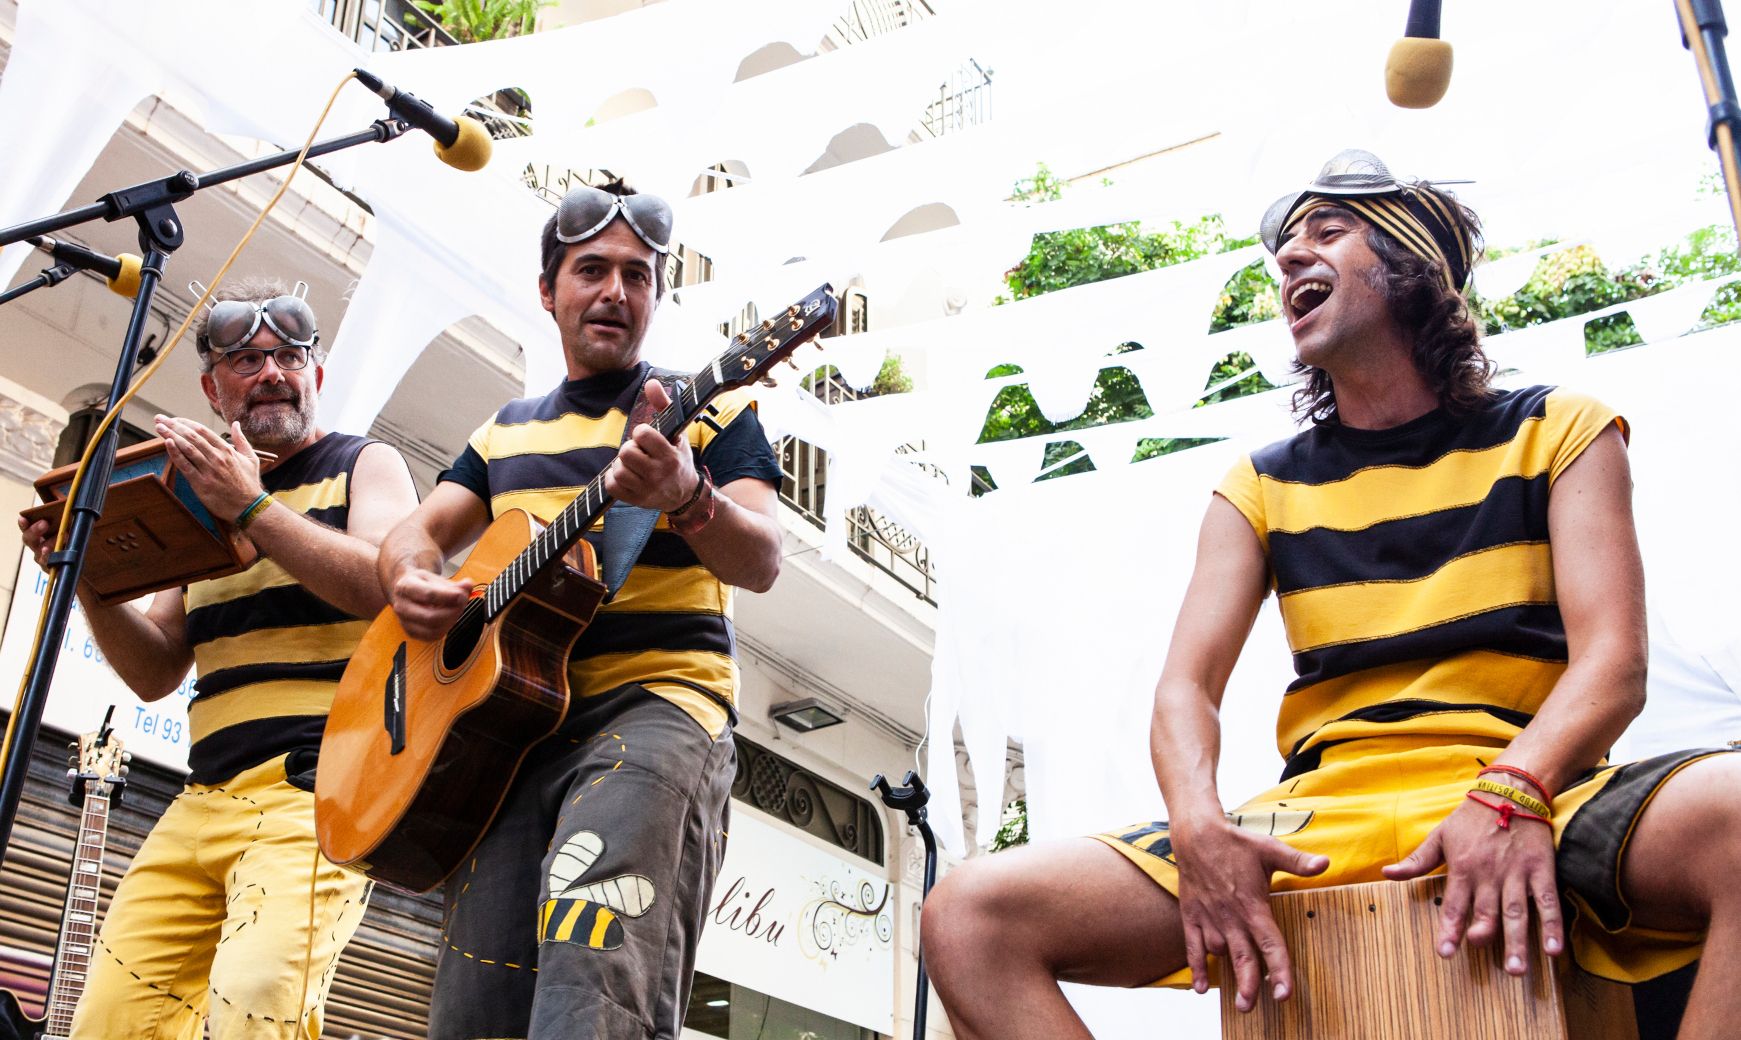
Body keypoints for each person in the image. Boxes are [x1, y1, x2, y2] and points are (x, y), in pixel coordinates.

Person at [920, 150, 1741, 1039]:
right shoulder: (1259, 484)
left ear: (1412, 261)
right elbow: (1183, 689)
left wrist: (1510, 792)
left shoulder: (1563, 427)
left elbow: (1613, 666)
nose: (1288, 259)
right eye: (1285, 246)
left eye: (1328, 230)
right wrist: (1197, 828)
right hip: (1316, 818)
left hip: (1531, 787)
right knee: (970, 916)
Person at [376, 183, 784, 1040]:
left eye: (638, 276)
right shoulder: (504, 433)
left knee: (589, 991)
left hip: (656, 711)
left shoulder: (708, 409)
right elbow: (416, 532)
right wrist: (409, 573)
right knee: (471, 1013)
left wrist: (685, 493)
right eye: (591, 270)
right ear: (547, 291)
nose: (615, 292)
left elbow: (762, 560)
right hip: (511, 739)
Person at [18, 277, 420, 1039]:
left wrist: (253, 508)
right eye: (245, 359)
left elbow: (384, 587)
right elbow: (157, 669)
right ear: (211, 387)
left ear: (317, 377)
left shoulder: (365, 463)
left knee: (256, 1004)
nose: (271, 372)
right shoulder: (195, 496)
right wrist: (89, 579)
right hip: (203, 798)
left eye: (289, 357)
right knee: (107, 1019)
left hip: (315, 792)